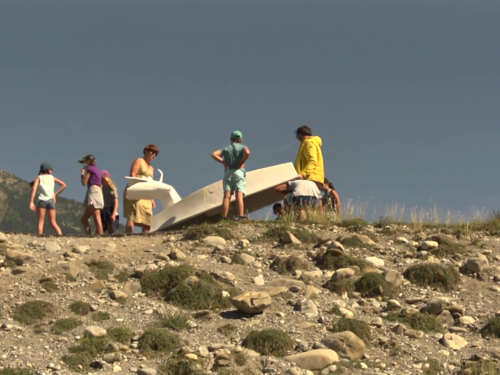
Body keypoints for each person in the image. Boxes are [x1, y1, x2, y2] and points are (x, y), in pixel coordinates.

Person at [211, 130, 250, 221]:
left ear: (231, 139)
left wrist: (224, 162)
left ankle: (224, 217)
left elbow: (214, 154)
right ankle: (241, 216)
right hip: (239, 171)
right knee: (239, 194)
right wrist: (242, 161)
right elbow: (247, 152)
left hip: (228, 172)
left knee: (226, 196)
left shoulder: (226, 148)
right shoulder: (243, 147)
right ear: (240, 140)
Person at [123, 144, 159, 233]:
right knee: (132, 214)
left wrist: (152, 199)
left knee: (148, 216)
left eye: (155, 153)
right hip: (135, 189)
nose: (154, 154)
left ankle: (145, 238)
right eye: (152, 152)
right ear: (146, 151)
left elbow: (151, 182)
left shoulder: (152, 168)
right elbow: (132, 174)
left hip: (146, 193)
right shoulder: (139, 161)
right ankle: (129, 235)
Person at [29, 162, 67, 235]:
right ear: (48, 170)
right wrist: (55, 194)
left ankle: (40, 237)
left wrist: (31, 201)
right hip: (51, 201)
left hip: (42, 201)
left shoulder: (39, 178)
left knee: (41, 221)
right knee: (53, 222)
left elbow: (34, 190)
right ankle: (61, 236)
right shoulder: (53, 178)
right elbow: (64, 185)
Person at [79, 154, 104, 235]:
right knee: (84, 219)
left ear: (89, 161)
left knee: (97, 217)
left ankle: (100, 235)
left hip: (93, 191)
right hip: (97, 191)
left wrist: (82, 174)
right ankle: (90, 236)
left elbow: (84, 182)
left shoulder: (90, 169)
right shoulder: (97, 170)